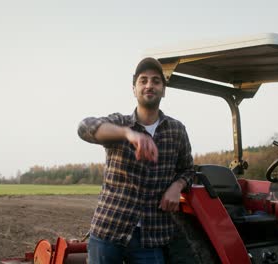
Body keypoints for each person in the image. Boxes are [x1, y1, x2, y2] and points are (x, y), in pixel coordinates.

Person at [77, 57, 194, 264]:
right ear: (134, 89)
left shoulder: (177, 130)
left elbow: (187, 169)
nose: (149, 85)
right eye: (143, 80)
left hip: (151, 236)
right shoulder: (119, 123)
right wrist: (127, 134)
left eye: (156, 81)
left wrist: (177, 186)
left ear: (164, 90)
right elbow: (85, 127)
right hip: (109, 231)